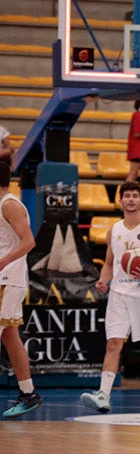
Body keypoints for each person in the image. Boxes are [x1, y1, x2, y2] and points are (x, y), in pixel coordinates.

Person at [80, 181, 140, 413]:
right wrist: (104, 280)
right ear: (120, 201)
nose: (131, 199)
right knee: (113, 343)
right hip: (119, 294)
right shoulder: (114, 230)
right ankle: (103, 395)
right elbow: (109, 263)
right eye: (127, 196)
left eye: (134, 196)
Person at [0, 162, 42, 418]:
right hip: (6, 277)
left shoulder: (9, 204)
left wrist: (3, 260)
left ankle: (29, 394)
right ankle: (28, 393)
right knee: (10, 336)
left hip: (7, 277)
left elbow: (29, 241)